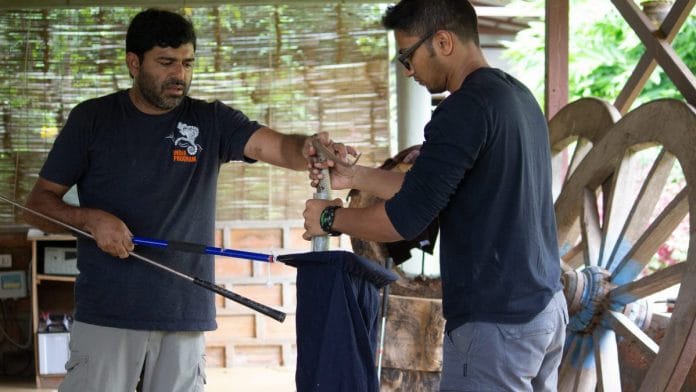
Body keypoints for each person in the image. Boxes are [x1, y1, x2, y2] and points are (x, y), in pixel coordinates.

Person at [25, 8, 330, 392]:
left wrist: (311, 148)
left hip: (183, 312)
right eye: (166, 62)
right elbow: (38, 203)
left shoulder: (212, 121)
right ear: (133, 63)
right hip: (108, 311)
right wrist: (92, 221)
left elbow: (282, 148)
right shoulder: (92, 119)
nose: (179, 75)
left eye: (187, 63)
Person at [302, 1, 568, 391]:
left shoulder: (462, 110)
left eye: (407, 56)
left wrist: (329, 219)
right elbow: (430, 190)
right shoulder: (514, 96)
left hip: (496, 324)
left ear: (442, 41)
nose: (407, 71)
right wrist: (354, 175)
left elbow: (402, 220)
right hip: (543, 310)